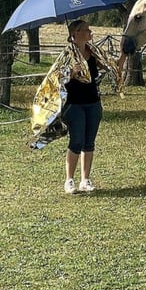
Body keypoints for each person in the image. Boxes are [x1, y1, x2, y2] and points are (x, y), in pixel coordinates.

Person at [61, 19, 114, 194]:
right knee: (76, 141)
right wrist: (71, 73)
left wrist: (123, 55)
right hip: (74, 105)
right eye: (86, 29)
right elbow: (57, 79)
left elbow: (112, 67)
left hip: (93, 103)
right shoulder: (67, 55)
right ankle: (69, 180)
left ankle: (85, 179)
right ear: (75, 34)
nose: (90, 32)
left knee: (89, 142)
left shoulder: (94, 53)